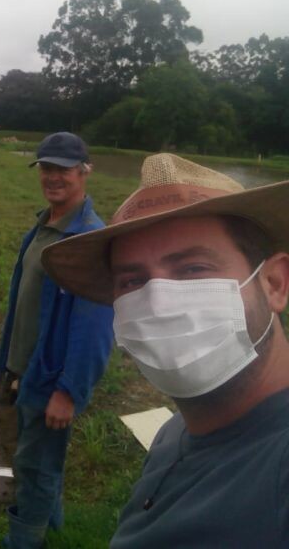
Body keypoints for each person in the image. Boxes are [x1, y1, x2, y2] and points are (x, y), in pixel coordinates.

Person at [41, 153, 289, 546]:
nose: (157, 304)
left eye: (192, 269)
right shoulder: (172, 433)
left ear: (274, 283)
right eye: (133, 281)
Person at [0, 132, 114, 548]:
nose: (53, 177)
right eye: (46, 167)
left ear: (84, 172)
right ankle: (54, 527)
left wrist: (70, 391)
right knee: (40, 460)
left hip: (50, 380)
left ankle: (24, 542)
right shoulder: (45, 226)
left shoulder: (87, 241)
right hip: (26, 370)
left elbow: (95, 330)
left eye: (63, 168)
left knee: (34, 466)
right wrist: (4, 363)